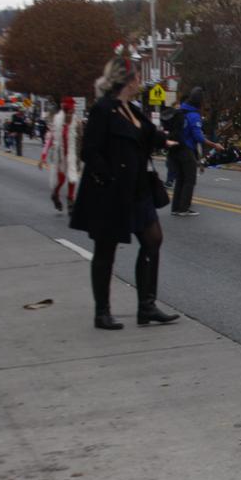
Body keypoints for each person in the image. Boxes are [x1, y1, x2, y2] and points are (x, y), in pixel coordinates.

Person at [69, 54, 180, 330]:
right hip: (110, 192)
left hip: (137, 187)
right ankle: (102, 312)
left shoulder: (131, 108)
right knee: (105, 250)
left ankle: (147, 307)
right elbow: (89, 151)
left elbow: (147, 134)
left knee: (153, 239)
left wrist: (165, 141)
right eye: (137, 77)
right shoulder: (103, 110)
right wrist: (107, 177)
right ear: (126, 80)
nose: (140, 81)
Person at [171, 87, 222, 217]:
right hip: (187, 150)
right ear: (199, 102)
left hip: (176, 148)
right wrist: (214, 145)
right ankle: (184, 208)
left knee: (180, 179)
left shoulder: (181, 111)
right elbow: (198, 137)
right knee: (189, 179)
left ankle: (176, 207)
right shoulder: (194, 115)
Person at [39, 97, 82, 212]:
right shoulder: (57, 121)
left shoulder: (77, 122)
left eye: (72, 111)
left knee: (72, 179)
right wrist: (43, 156)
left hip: (72, 155)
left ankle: (70, 201)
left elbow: (81, 140)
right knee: (61, 180)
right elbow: (49, 139)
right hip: (60, 156)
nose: (71, 113)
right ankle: (55, 194)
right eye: (69, 111)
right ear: (65, 110)